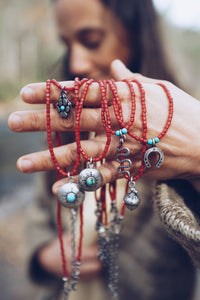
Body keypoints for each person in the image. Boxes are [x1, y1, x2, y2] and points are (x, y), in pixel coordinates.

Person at [7, 0, 200, 299]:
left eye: (92, 41)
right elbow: (39, 211)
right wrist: (44, 254)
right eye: (68, 45)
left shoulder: (185, 128)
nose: (77, 63)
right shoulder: (67, 129)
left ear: (136, 34)